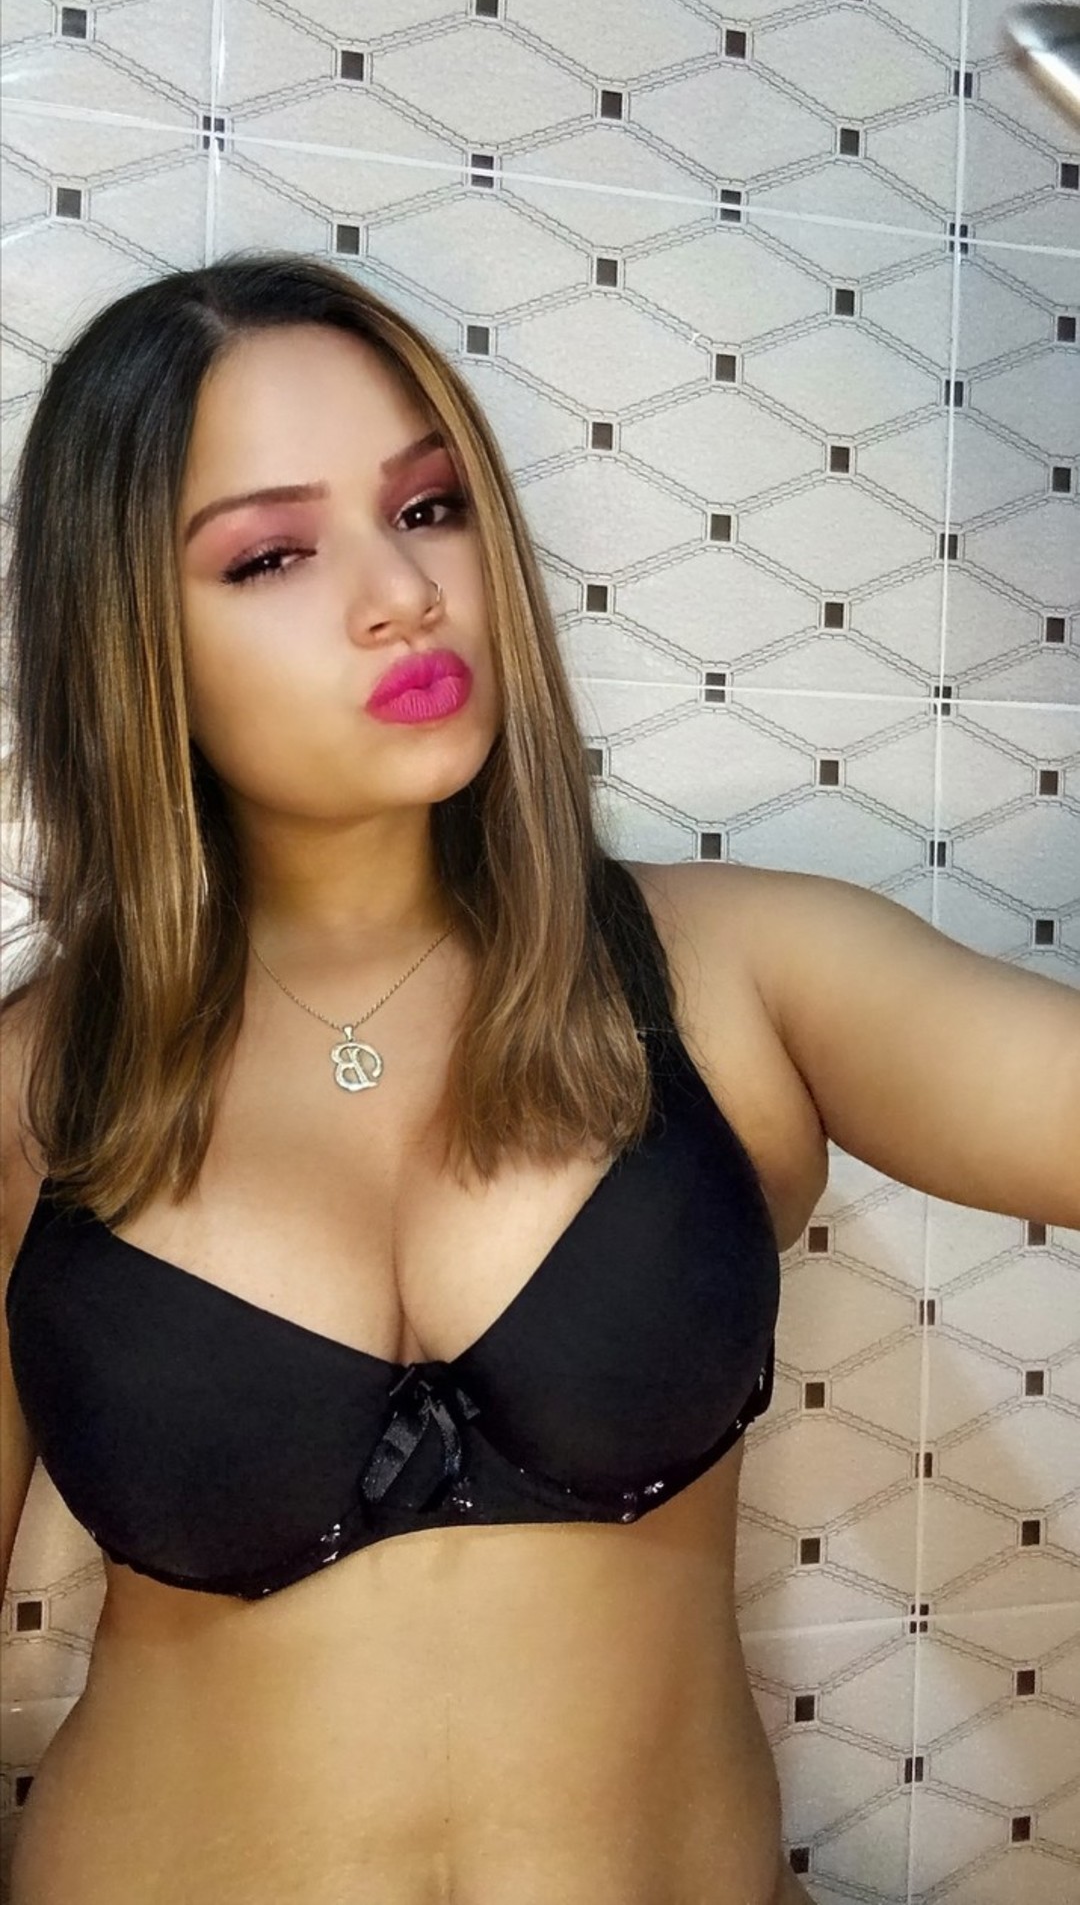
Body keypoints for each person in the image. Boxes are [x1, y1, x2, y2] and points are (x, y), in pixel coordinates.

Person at [1, 253, 1075, 1905]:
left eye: (428, 509)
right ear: (126, 635)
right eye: (273, 553)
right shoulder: (33, 1091)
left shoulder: (737, 973)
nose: (401, 593)